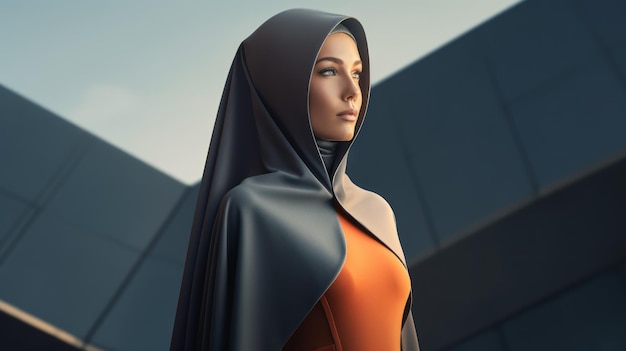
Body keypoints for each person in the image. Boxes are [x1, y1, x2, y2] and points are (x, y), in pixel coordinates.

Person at [170, 8, 420, 351]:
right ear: (283, 84)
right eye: (329, 71)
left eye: (358, 74)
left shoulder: (377, 211)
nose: (352, 91)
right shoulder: (253, 210)